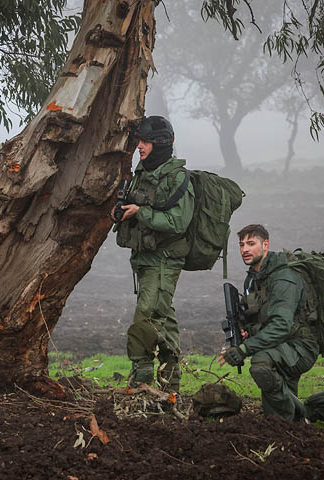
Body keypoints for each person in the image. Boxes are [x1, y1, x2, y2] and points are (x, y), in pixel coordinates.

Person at [217, 224, 324, 422]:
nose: (245, 249)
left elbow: (280, 326)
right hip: (281, 347)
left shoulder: (284, 278)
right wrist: (246, 332)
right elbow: (260, 319)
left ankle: (289, 425)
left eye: (251, 244)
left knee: (261, 365)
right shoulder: (254, 278)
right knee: (283, 411)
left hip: (300, 346)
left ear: (265, 245)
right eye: (242, 244)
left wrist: (244, 349)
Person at [113, 116, 194, 392]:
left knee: (146, 316)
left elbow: (177, 222)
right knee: (164, 319)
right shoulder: (143, 173)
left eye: (145, 141)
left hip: (164, 260)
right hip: (145, 259)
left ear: (159, 144)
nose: (140, 146)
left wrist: (141, 213)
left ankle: (140, 378)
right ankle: (171, 389)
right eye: (139, 141)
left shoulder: (177, 177)